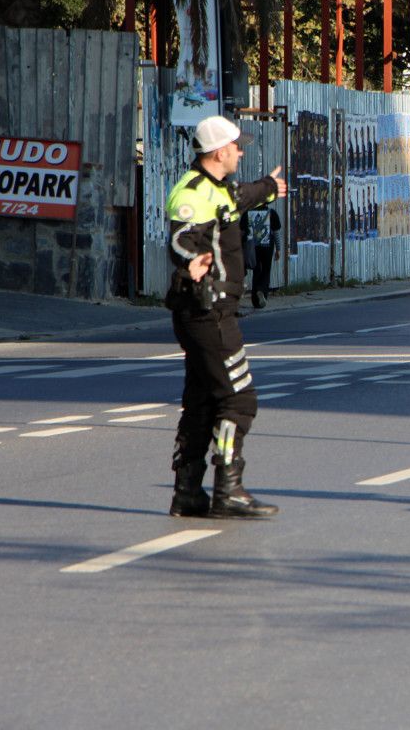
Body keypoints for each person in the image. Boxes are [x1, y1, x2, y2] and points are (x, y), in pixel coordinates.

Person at [165, 115, 287, 518]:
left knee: (202, 400)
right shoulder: (192, 191)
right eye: (237, 147)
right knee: (238, 399)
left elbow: (241, 197)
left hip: (212, 309)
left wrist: (269, 188)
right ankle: (228, 489)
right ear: (220, 153)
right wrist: (192, 259)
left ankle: (187, 492)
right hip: (208, 310)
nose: (241, 152)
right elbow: (180, 237)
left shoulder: (220, 188)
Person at [246, 204, 282, 308]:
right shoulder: (272, 213)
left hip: (253, 247)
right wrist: (278, 249)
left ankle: (255, 301)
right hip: (267, 247)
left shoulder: (249, 213)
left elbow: (243, 231)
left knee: (256, 271)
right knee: (266, 270)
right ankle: (261, 290)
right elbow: (276, 233)